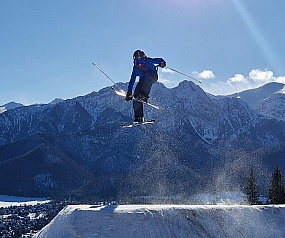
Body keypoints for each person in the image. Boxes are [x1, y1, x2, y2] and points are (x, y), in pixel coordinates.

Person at [125, 50, 166, 123]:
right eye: (137, 63)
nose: (139, 65)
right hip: (142, 81)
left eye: (140, 62)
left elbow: (159, 60)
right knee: (136, 95)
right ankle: (138, 117)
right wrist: (129, 91)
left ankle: (144, 95)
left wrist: (162, 63)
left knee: (147, 75)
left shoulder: (149, 61)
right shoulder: (135, 68)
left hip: (152, 77)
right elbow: (132, 80)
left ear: (144, 60)